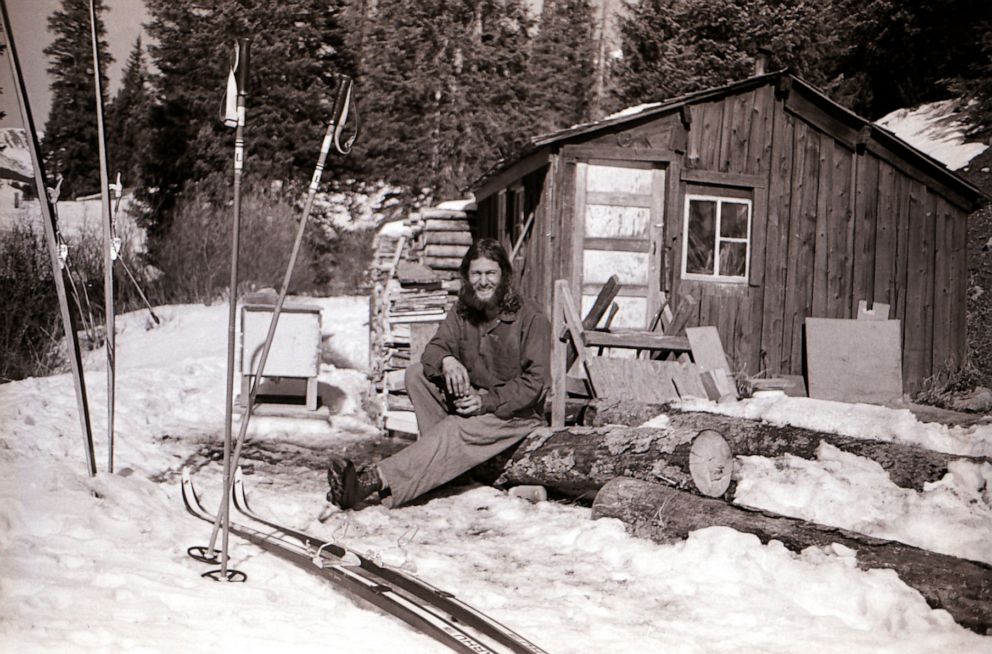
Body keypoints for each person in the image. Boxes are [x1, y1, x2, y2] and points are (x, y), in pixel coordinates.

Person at [326, 238, 551, 510]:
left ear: (504, 275)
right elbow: (433, 349)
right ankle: (448, 470)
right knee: (417, 375)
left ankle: (368, 482)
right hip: (475, 402)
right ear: (467, 277)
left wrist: (485, 402)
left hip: (514, 413)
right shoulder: (464, 310)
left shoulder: (531, 318)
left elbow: (534, 385)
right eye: (476, 274)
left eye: (490, 273)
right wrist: (447, 360)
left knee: (454, 428)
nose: (483, 281)